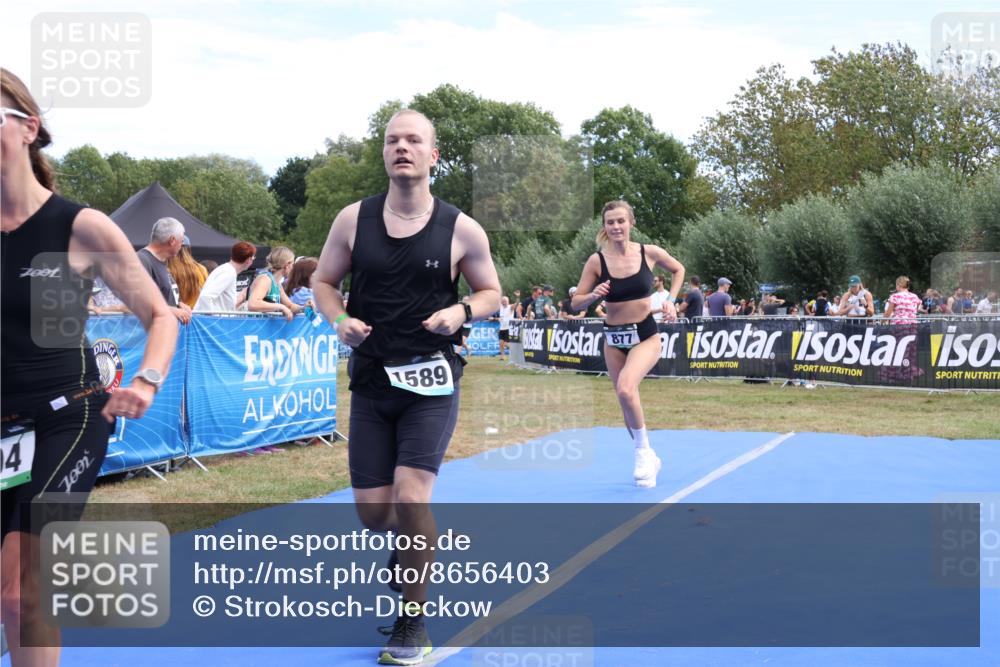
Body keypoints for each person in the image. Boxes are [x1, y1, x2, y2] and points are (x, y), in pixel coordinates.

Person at [1, 68, 177, 667]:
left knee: (20, 587)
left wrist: (148, 380)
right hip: (3, 433)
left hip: (68, 418)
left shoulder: (77, 227)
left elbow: (161, 315)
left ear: (29, 128)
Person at [312, 108, 501, 665]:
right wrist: (338, 319)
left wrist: (460, 310)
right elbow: (323, 281)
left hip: (432, 380)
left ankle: (411, 626)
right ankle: (409, 550)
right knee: (375, 513)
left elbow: (492, 292)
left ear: (432, 155)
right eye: (393, 140)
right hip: (372, 380)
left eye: (414, 140)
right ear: (385, 154)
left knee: (413, 495)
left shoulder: (461, 228)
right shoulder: (353, 220)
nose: (402, 147)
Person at [571, 200, 684, 489]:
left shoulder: (649, 252)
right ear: (605, 227)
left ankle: (643, 452)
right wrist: (593, 294)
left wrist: (670, 301)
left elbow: (678, 269)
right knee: (625, 400)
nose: (616, 226)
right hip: (613, 339)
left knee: (625, 387)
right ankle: (649, 457)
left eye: (621, 221)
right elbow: (575, 303)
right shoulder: (597, 261)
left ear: (631, 223)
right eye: (610, 222)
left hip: (645, 335)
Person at [137, 217, 192, 324]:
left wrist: (179, 304)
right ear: (172, 241)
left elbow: (163, 295)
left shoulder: (160, 261)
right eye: (181, 241)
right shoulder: (142, 260)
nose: (181, 246)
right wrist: (172, 310)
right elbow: (137, 303)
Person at [194, 241, 256, 312]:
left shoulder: (227, 270)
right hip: (212, 321)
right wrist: (214, 319)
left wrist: (241, 296)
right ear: (248, 260)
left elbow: (223, 303)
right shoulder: (228, 272)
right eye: (253, 258)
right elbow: (205, 297)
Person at [247, 246, 304, 321]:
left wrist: (305, 308)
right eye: (293, 264)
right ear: (287, 265)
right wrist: (280, 307)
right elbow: (253, 304)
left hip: (265, 329)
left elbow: (290, 306)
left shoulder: (277, 283)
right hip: (254, 328)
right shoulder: (265, 279)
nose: (293, 268)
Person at [166, 235, 208, 309]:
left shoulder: (165, 269)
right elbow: (206, 294)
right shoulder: (201, 269)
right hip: (194, 316)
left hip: (173, 314)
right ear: (189, 249)